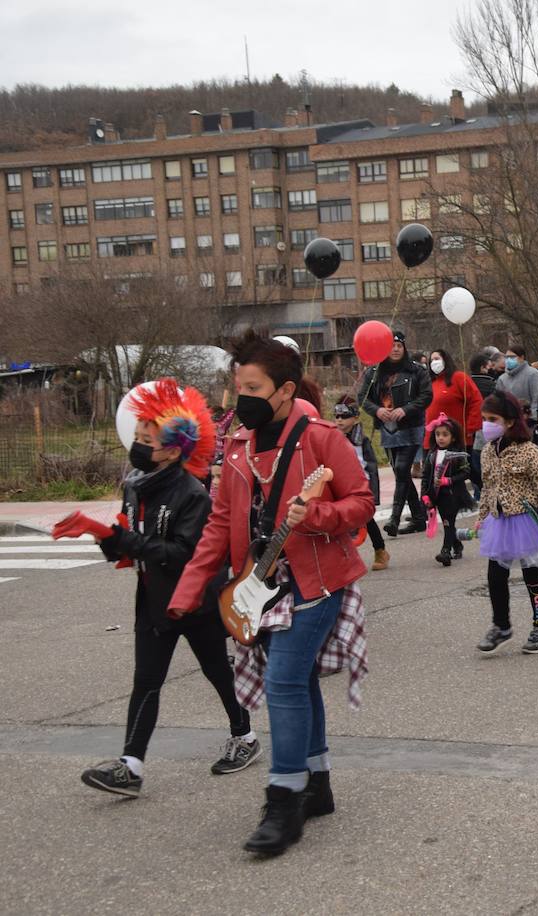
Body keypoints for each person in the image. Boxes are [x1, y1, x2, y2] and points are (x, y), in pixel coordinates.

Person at [168, 332, 373, 857]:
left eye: (252, 387)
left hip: (315, 582)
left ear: (284, 390)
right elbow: (219, 522)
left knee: (282, 682)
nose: (242, 398)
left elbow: (361, 502)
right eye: (238, 386)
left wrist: (319, 516)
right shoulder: (237, 442)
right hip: (257, 585)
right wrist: (189, 589)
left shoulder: (322, 438)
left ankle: (284, 798)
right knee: (298, 681)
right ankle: (318, 781)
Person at [59, 379, 258, 798]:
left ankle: (245, 735)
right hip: (152, 603)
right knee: (146, 680)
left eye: (146, 440)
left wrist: (121, 537)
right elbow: (131, 547)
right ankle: (131, 766)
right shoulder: (135, 484)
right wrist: (102, 535)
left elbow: (185, 553)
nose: (137, 445)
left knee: (217, 671)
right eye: (137, 436)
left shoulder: (193, 494)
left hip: (196, 602)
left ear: (172, 449)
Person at [474, 391, 538, 655]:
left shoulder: (529, 452)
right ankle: (501, 626)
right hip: (500, 523)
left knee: (533, 576)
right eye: (484, 419)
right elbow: (487, 488)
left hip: (528, 522)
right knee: (495, 576)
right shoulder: (488, 452)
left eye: (492, 419)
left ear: (510, 421)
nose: (486, 424)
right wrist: (482, 518)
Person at [360, 330, 433, 537]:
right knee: (399, 472)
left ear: (404, 348)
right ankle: (419, 518)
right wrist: (377, 411)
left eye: (399, 346)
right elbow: (363, 398)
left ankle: (394, 518)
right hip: (387, 428)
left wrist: (406, 409)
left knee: (402, 469)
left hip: (411, 426)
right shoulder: (374, 372)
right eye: (391, 345)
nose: (395, 349)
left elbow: (427, 396)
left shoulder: (416, 371)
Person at [334, 397, 388, 571]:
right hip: (339, 487)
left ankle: (380, 550)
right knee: (339, 523)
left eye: (344, 416)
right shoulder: (331, 439)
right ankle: (345, 558)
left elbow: (371, 468)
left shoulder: (362, 441)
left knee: (368, 520)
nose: (340, 420)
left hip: (360, 487)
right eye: (337, 416)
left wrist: (372, 493)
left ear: (355, 417)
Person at [422, 415, 475, 566]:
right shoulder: (431, 456)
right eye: (438, 434)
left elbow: (466, 472)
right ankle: (457, 545)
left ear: (453, 437)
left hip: (453, 495)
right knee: (448, 524)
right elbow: (426, 476)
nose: (441, 438)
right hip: (437, 496)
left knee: (447, 522)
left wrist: (449, 480)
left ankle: (445, 552)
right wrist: (425, 495)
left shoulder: (458, 455)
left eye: (445, 434)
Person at [425, 349, 482, 457]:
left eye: (437, 359)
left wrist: (471, 427)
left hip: (457, 439)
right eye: (431, 360)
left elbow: (476, 401)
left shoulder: (459, 377)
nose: (434, 362)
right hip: (433, 440)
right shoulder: (430, 382)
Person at [468, 349, 501, 501]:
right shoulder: (491, 384)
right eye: (488, 366)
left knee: (474, 461)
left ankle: (478, 492)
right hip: (487, 425)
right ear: (483, 367)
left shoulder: (466, 382)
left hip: (469, 427)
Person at [495, 342, 538, 424]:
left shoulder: (533, 374)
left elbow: (536, 399)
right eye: (507, 357)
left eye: (512, 357)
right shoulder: (502, 378)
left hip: (528, 421)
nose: (509, 360)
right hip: (509, 422)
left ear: (521, 357)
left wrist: (533, 418)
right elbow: (498, 401)